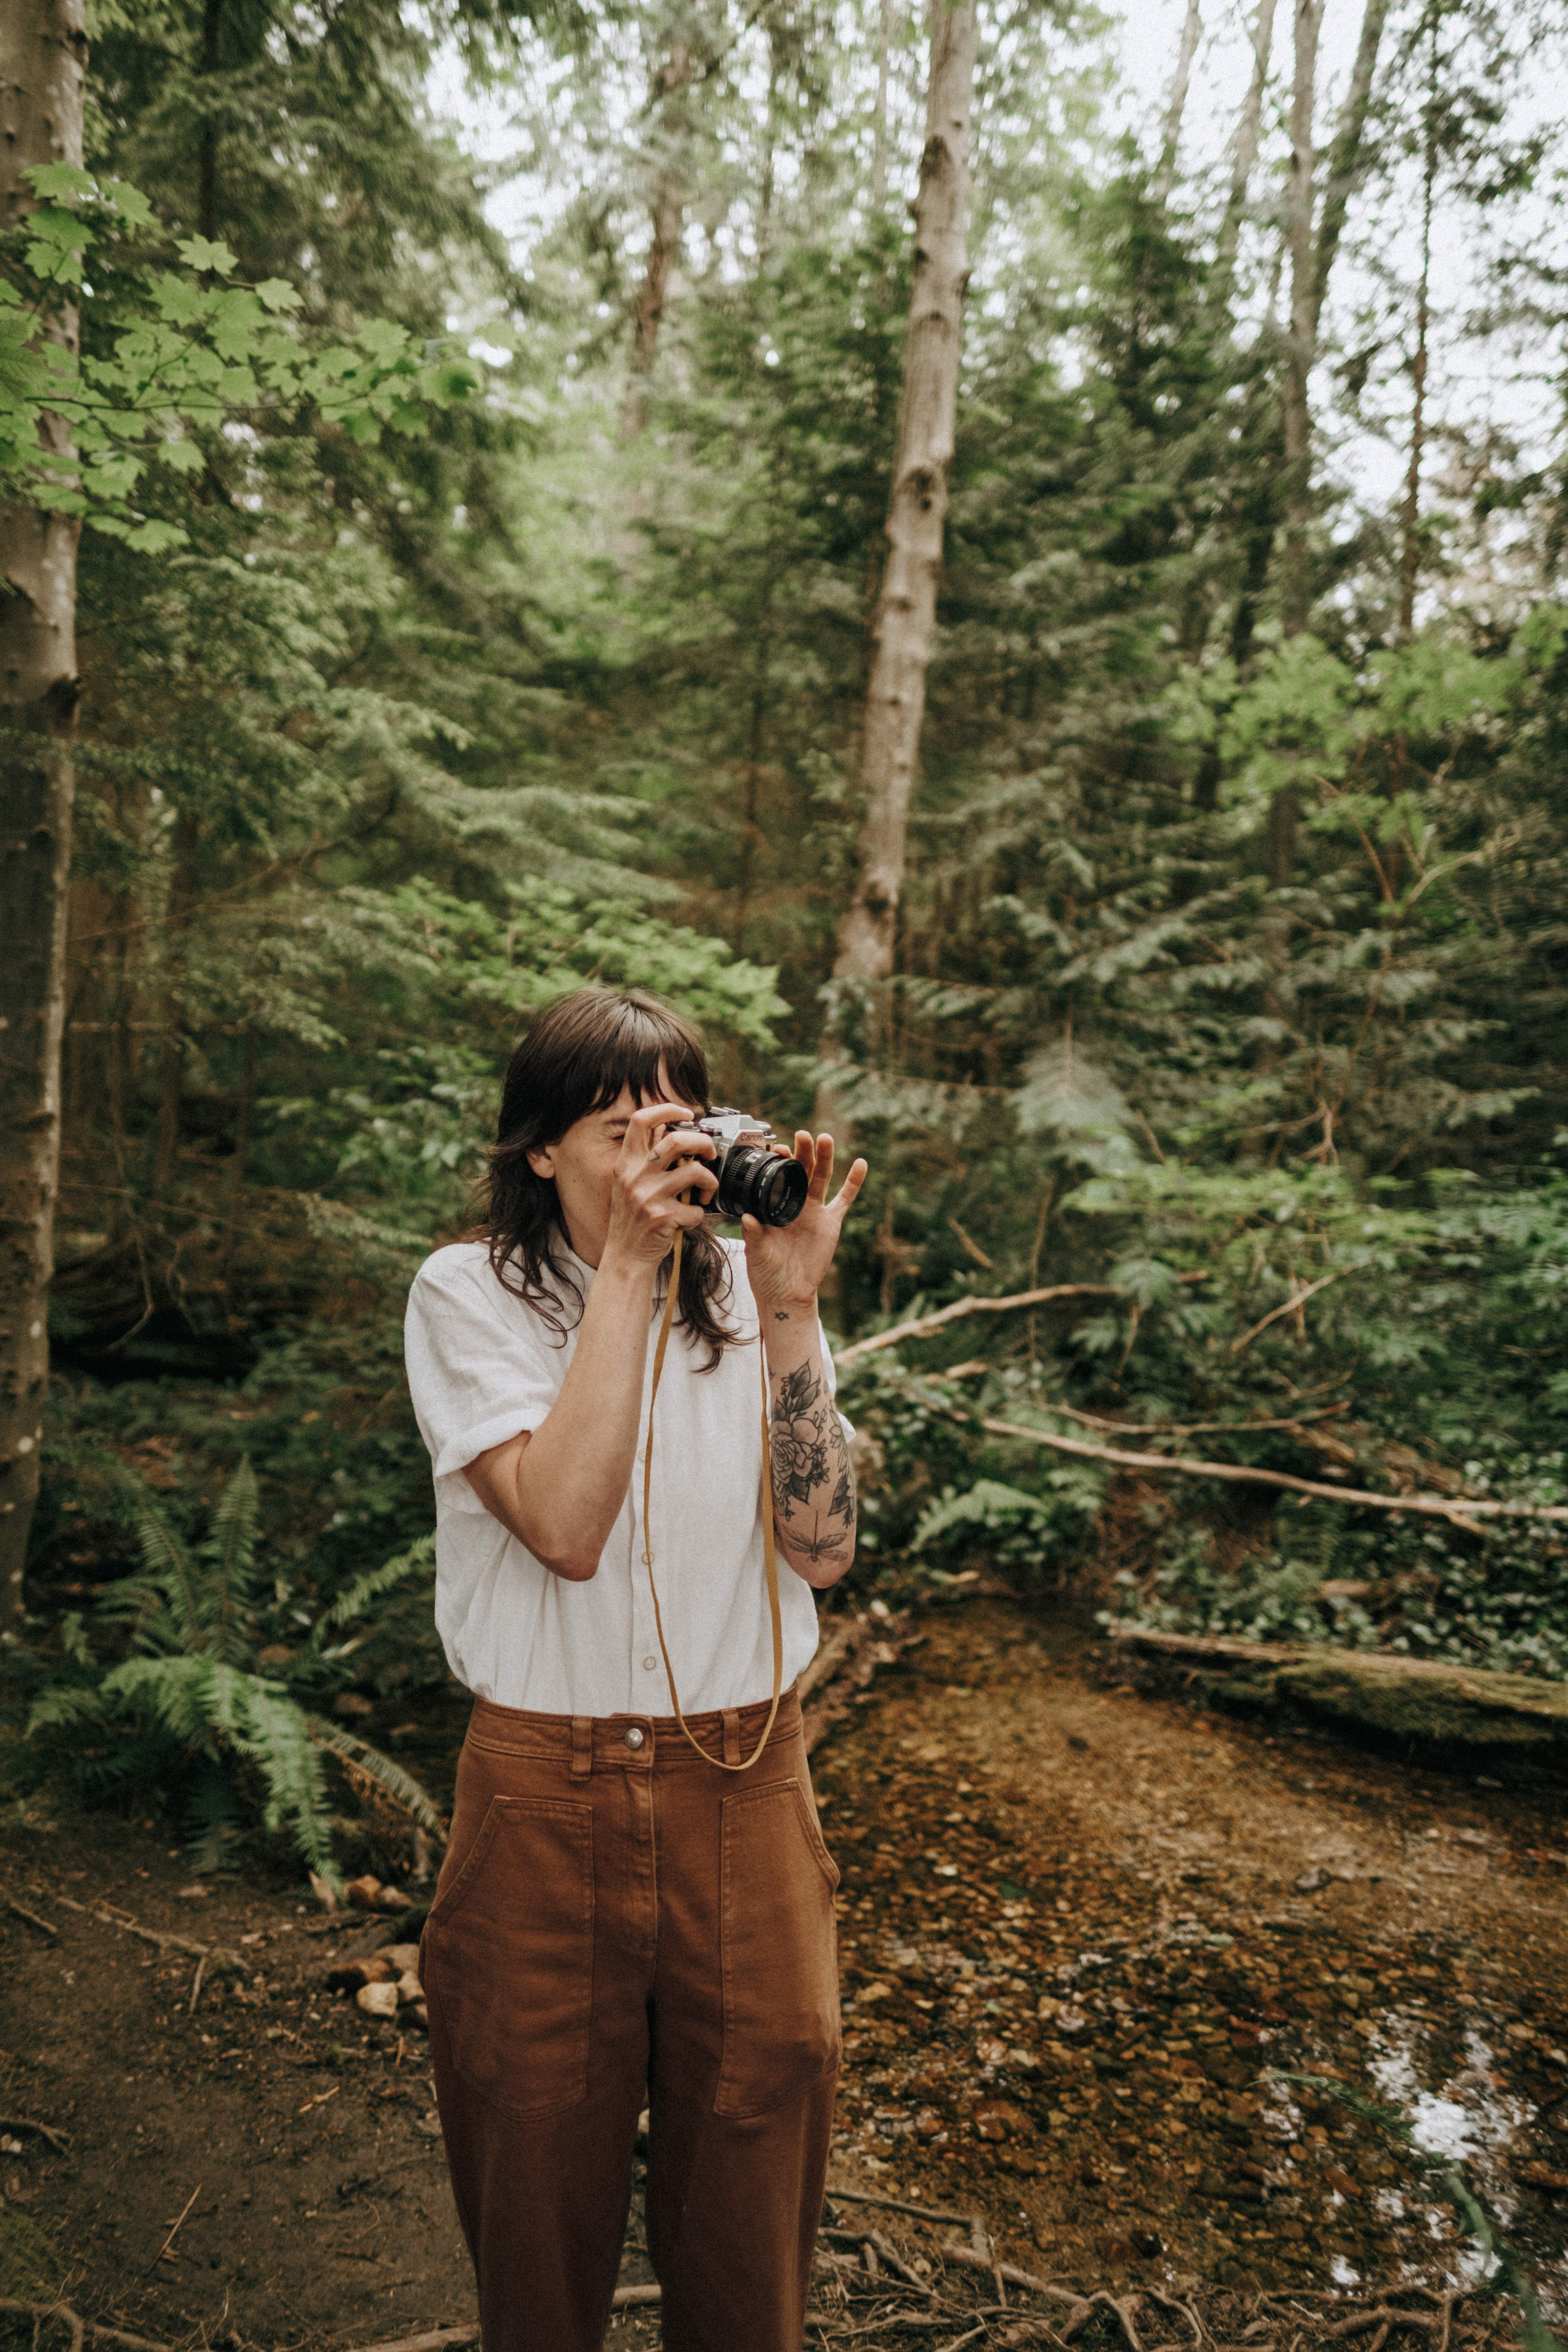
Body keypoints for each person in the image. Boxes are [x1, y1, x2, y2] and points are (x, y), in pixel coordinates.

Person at [403, 987, 868, 2352]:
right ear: (539, 1150)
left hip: (745, 1778)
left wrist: (786, 1315)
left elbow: (823, 1547)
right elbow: (563, 1525)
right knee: (535, 2164)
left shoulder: (740, 1286)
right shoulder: (467, 1294)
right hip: (543, 1796)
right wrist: (626, 1274)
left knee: (757, 2156)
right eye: (618, 1130)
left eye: (676, 1123)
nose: (659, 1160)